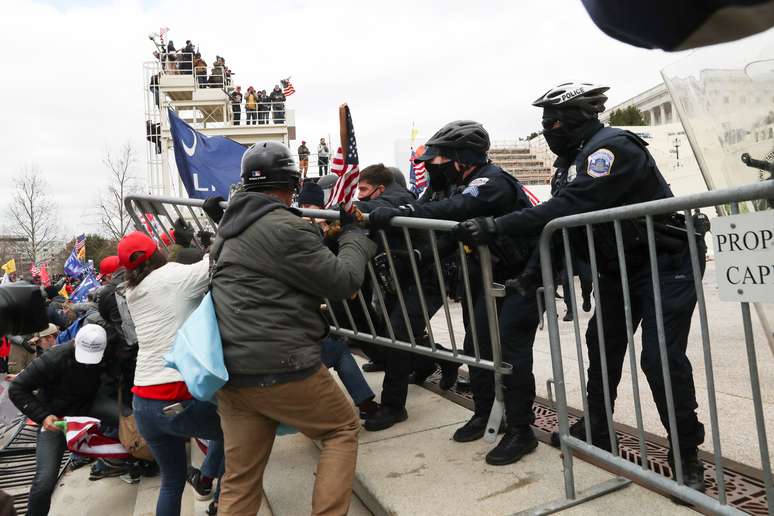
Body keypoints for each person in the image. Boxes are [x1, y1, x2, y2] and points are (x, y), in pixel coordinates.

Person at [455, 82, 707, 492]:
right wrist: (532, 277)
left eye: (552, 122)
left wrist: (497, 225)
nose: (547, 130)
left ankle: (686, 454)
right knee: (601, 345)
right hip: (618, 266)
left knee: (659, 357)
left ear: (577, 118)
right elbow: (560, 232)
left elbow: (572, 206)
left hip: (665, 262)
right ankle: (597, 424)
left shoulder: (613, 148)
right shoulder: (570, 161)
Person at [208, 141, 376, 515]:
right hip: (280, 363)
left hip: (231, 370)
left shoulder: (228, 227)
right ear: (292, 184)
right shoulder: (286, 227)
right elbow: (343, 281)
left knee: (240, 477)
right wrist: (354, 237)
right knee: (341, 429)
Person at [367, 121, 541, 466]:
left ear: (461, 158)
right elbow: (454, 233)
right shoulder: (463, 183)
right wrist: (422, 255)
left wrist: (403, 212)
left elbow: (457, 210)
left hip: (519, 281)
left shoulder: (491, 181)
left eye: (437, 159)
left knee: (510, 353)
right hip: (481, 279)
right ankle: (485, 412)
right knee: (475, 348)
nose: (432, 166)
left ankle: (522, 430)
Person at [118, 231, 224, 516]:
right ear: (156, 252)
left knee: (172, 481)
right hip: (174, 395)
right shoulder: (173, 276)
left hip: (143, 402)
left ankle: (209, 485)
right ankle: (222, 504)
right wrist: (216, 233)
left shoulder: (132, 292)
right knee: (236, 432)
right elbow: (215, 261)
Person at [9, 324, 111, 516]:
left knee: (128, 417)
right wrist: (43, 416)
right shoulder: (53, 358)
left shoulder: (108, 353)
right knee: (44, 481)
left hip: (90, 406)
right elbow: (17, 389)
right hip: (56, 418)